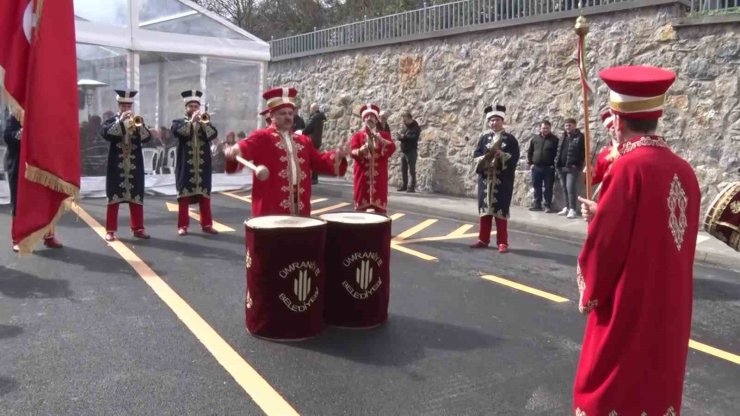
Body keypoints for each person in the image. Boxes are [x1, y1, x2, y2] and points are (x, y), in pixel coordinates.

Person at [573, 65, 700, 415]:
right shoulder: (684, 169)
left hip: (629, 304)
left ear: (617, 117)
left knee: (611, 387)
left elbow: (607, 246)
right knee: (655, 385)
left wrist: (590, 293)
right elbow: (654, 230)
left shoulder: (628, 167)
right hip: (670, 306)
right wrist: (603, 212)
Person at [224, 87, 349, 217]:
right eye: (282, 114)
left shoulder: (303, 141)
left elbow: (319, 161)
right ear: (272, 116)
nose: (288, 117)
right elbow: (246, 145)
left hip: (300, 206)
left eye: (290, 113)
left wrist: (338, 154)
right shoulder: (262, 136)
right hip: (271, 208)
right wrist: (235, 150)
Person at [4, 115, 64, 251]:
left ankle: (49, 236)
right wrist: (22, 132)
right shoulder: (15, 115)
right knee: (19, 203)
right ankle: (18, 239)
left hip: (41, 166)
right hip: (19, 165)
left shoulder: (44, 113)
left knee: (46, 201)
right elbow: (7, 136)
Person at [99, 89, 152, 242]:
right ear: (118, 105)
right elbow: (107, 134)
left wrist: (139, 126)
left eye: (128, 106)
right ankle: (110, 230)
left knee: (136, 196)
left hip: (134, 165)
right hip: (117, 165)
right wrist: (120, 121)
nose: (126, 108)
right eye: (123, 105)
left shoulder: (137, 121)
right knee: (113, 197)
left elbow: (147, 137)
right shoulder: (111, 121)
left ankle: (138, 228)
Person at [470, 105, 520, 253]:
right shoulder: (484, 138)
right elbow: (476, 155)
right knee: (485, 212)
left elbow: (514, 157)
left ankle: (502, 242)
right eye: (491, 120)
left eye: (497, 120)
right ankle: (483, 239)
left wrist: (502, 156)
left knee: (500, 211)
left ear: (502, 121)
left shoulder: (510, 140)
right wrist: (484, 159)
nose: (494, 123)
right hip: (486, 180)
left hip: (502, 180)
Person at [171, 90, 219, 236]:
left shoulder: (205, 122)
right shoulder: (178, 123)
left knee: (204, 195)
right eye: (190, 106)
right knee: (183, 196)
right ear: (186, 108)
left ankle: (206, 225)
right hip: (186, 165)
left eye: (196, 106)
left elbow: (213, 135)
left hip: (203, 165)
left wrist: (204, 123)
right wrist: (192, 122)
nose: (193, 109)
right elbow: (179, 133)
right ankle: (183, 226)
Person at [350, 104, 396, 214]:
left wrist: (381, 140)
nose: (369, 118)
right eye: (366, 117)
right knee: (360, 211)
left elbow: (392, 148)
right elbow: (352, 152)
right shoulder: (357, 136)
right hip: (362, 175)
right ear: (363, 119)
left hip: (379, 176)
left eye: (372, 116)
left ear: (376, 119)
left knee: (380, 212)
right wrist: (360, 151)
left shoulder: (384, 135)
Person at [555, 118, 586, 218]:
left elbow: (582, 153)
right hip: (561, 167)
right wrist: (557, 162)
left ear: (575, 125)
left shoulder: (580, 137)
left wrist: (577, 165)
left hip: (572, 168)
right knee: (564, 188)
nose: (568, 127)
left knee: (570, 188)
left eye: (570, 125)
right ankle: (567, 207)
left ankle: (573, 209)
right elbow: (559, 150)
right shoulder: (562, 136)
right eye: (566, 125)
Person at [526, 120, 558, 212]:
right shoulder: (535, 139)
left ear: (550, 128)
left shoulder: (555, 140)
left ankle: (547, 205)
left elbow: (557, 154)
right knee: (536, 186)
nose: (545, 130)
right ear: (540, 129)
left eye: (547, 128)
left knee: (548, 187)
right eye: (543, 128)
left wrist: (554, 165)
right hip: (536, 167)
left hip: (549, 168)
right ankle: (537, 204)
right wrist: (531, 163)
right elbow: (530, 151)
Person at [590, 110, 619, 197]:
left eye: (618, 127)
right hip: (608, 192)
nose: (616, 130)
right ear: (609, 131)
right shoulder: (605, 153)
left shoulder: (632, 148)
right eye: (613, 127)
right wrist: (589, 172)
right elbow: (596, 177)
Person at [396, 111, 420, 193]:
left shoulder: (415, 127)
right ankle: (404, 185)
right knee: (403, 169)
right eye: (403, 120)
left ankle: (411, 187)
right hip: (404, 151)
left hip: (411, 151)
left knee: (411, 170)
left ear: (410, 119)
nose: (404, 122)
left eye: (405, 120)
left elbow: (414, 138)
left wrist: (404, 137)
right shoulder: (405, 127)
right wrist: (400, 137)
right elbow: (403, 137)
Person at [302, 103, 327, 184]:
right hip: (317, 140)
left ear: (313, 109)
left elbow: (308, 128)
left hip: (311, 140)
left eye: (311, 108)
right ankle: (314, 178)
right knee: (315, 158)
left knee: (310, 159)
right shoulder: (320, 117)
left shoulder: (315, 117)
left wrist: (302, 132)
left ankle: (312, 178)